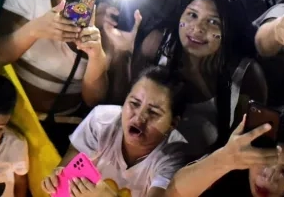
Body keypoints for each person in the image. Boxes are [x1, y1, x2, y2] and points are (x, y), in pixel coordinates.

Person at [0, 0, 107, 149]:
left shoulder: (106, 11)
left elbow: (94, 99)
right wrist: (35, 29)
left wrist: (95, 55)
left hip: (62, 127)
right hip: (12, 117)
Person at [129, 0, 267, 157]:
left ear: (231, 30)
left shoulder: (248, 76)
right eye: (192, 15)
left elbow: (249, 146)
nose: (197, 28)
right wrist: (122, 54)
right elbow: (122, 106)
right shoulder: (156, 45)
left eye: (213, 22)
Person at [40, 66, 190, 197]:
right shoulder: (101, 121)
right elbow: (68, 169)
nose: (139, 118)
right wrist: (57, 179)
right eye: (134, 103)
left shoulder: (174, 155)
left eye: (153, 113)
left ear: (173, 124)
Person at [167, 104, 284, 197]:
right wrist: (225, 160)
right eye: (265, 159)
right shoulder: (224, 174)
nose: (270, 178)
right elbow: (172, 193)